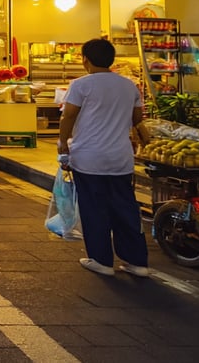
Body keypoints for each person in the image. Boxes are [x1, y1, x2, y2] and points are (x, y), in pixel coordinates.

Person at [58, 38, 148, 278]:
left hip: (89, 158)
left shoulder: (81, 84)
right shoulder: (129, 86)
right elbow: (138, 119)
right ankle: (137, 262)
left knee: (94, 209)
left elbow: (67, 117)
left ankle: (101, 260)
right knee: (125, 209)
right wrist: (149, 143)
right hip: (120, 158)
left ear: (85, 59)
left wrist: (62, 146)